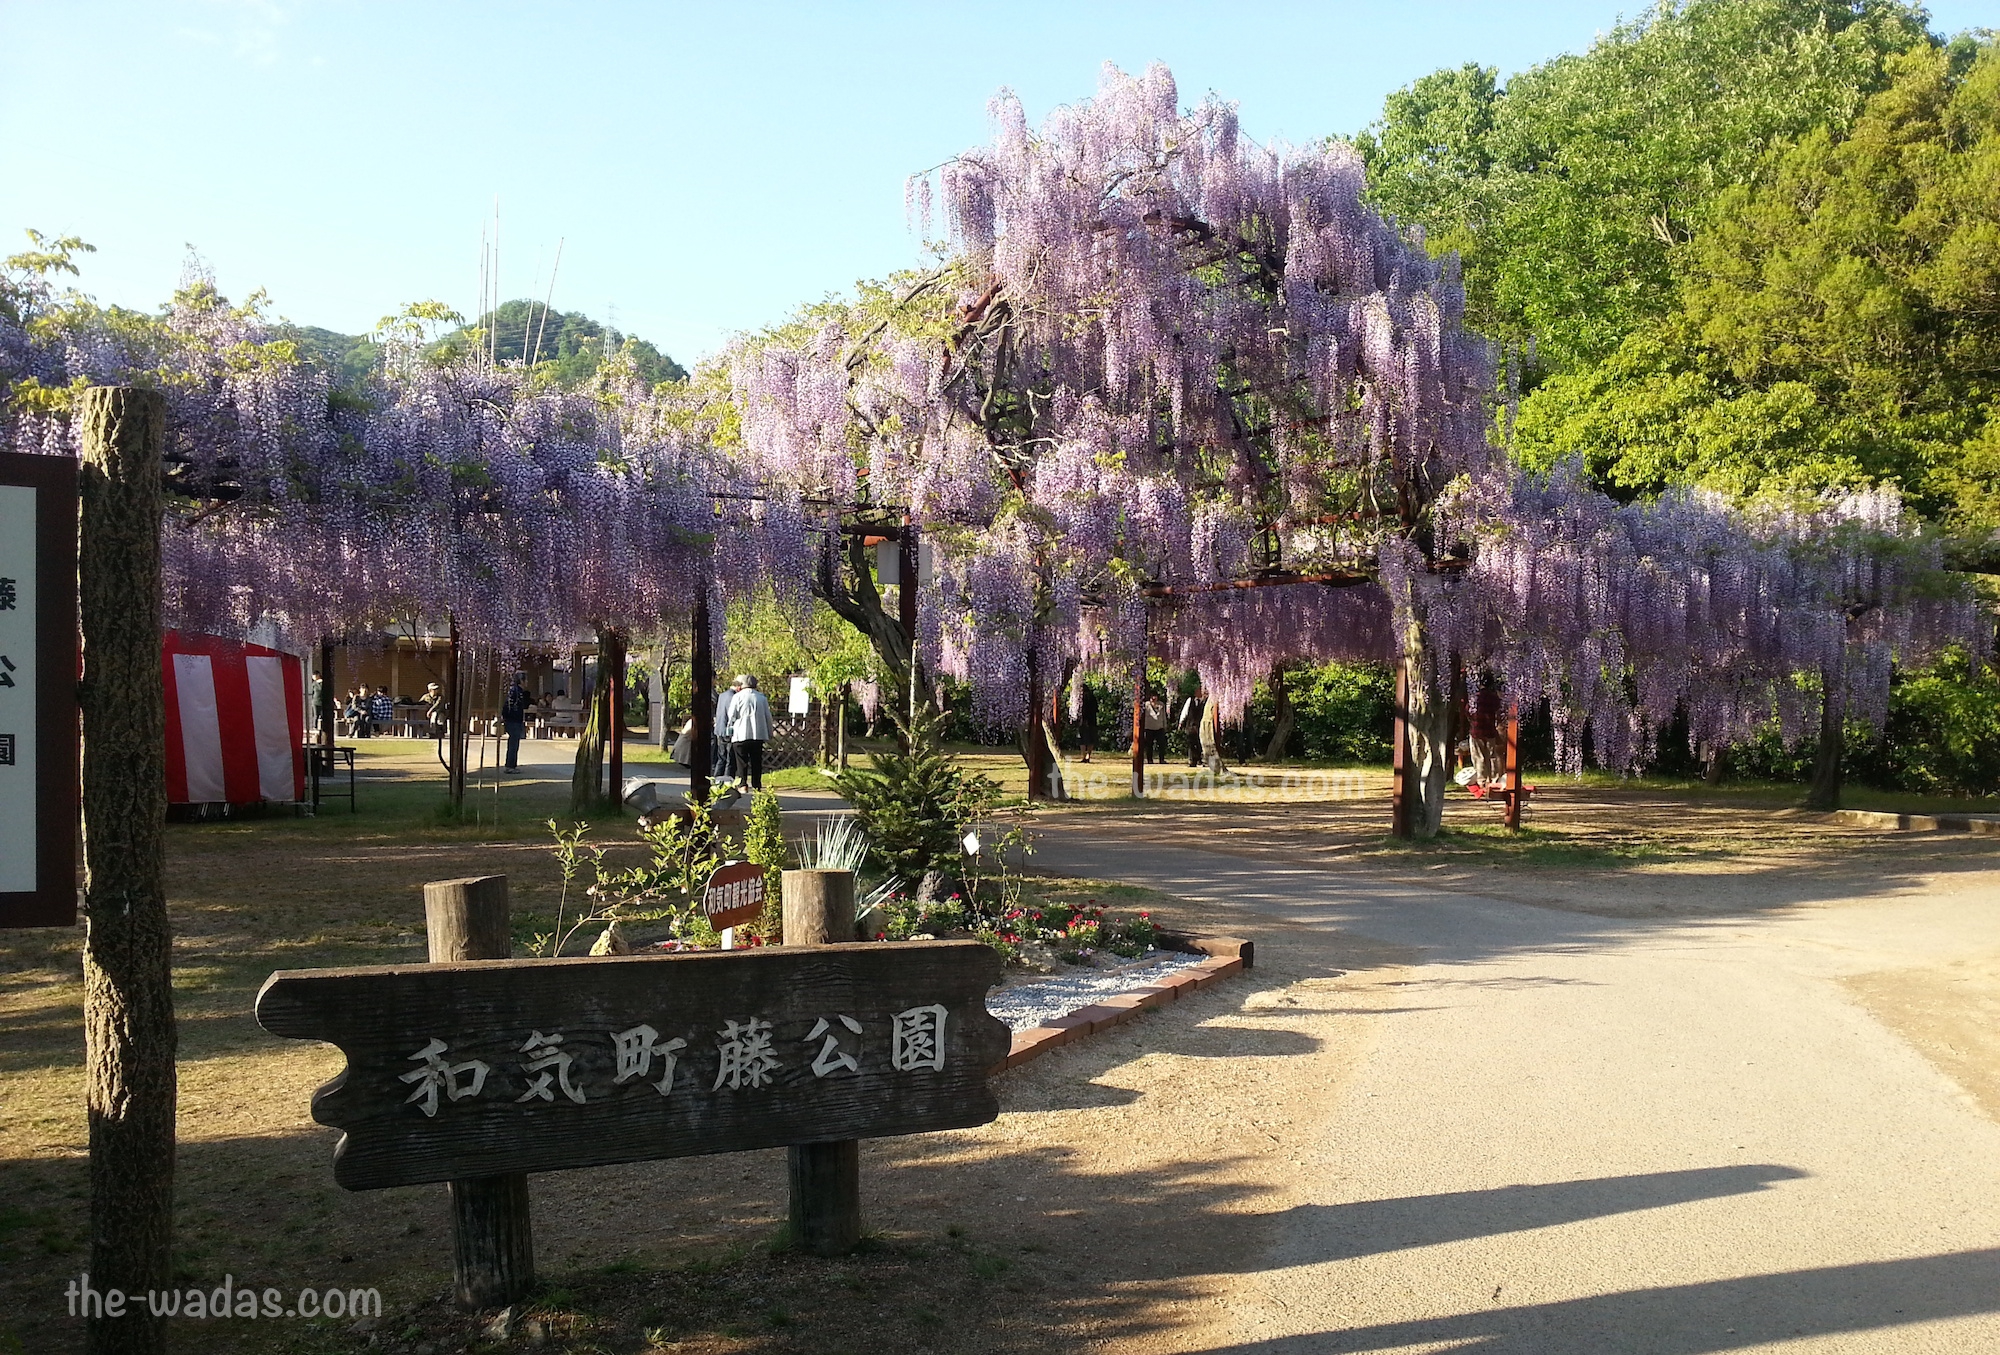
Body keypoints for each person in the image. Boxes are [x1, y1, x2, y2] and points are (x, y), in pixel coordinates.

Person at [728, 673, 772, 790]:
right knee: (756, 761)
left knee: (741, 761)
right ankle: (757, 784)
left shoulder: (737, 697)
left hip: (740, 733)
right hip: (758, 734)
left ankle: (743, 784)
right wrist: (769, 732)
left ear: (742, 685)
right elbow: (768, 717)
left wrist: (730, 727)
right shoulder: (762, 698)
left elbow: (731, 715)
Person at [500, 671, 532, 773]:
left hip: (514, 720)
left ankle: (511, 765)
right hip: (513, 720)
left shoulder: (517, 691)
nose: (527, 682)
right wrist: (507, 717)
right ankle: (510, 766)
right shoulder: (516, 692)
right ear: (521, 681)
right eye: (525, 679)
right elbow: (510, 706)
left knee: (514, 743)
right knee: (513, 744)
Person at [712, 676, 740, 782]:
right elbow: (732, 714)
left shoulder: (722, 695)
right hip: (728, 730)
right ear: (738, 688)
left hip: (719, 728)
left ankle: (716, 778)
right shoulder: (733, 697)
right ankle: (727, 779)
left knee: (721, 756)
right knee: (729, 758)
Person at [1178, 686, 1205, 767]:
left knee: (1200, 743)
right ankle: (1192, 760)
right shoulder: (1190, 700)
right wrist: (1181, 722)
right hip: (1190, 725)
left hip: (1200, 726)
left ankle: (1200, 760)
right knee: (1191, 743)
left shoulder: (1205, 701)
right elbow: (1185, 712)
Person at [1142, 690, 1168, 764]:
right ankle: (1149, 759)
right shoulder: (1146, 705)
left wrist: (1165, 726)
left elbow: (1164, 716)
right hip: (1149, 727)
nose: (1153, 698)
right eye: (1152, 696)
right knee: (1149, 744)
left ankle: (1161, 759)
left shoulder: (1161, 705)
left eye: (1155, 696)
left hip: (1159, 727)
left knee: (1161, 744)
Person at [1078, 682, 1099, 763]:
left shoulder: (1081, 699)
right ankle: (1087, 756)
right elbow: (1096, 710)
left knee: (1083, 740)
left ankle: (1084, 756)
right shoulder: (1092, 698)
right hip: (1092, 721)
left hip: (1084, 721)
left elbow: (1081, 711)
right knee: (1090, 740)